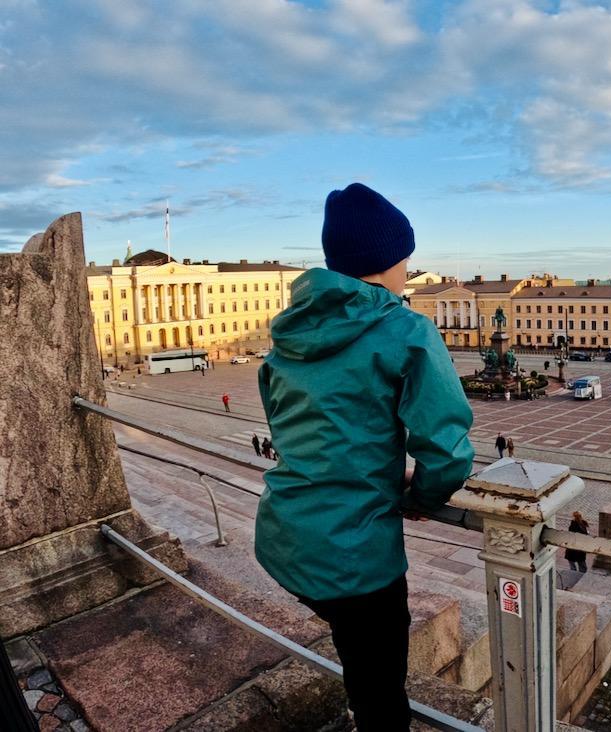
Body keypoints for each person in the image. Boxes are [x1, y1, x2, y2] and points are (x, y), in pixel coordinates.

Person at [254, 183, 474, 731]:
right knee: (381, 697)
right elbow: (446, 450)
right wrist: (420, 496)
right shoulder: (406, 329)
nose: (408, 270)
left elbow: (285, 425)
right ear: (390, 260)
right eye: (406, 258)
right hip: (356, 557)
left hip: (284, 538)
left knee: (357, 659)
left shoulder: (288, 332)